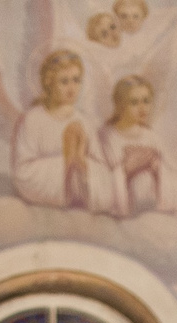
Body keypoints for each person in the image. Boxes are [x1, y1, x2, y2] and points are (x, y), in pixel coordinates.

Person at [12, 49, 115, 213]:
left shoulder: (84, 121)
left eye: (76, 80)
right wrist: (67, 161)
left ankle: (77, 185)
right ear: (49, 83)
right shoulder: (32, 119)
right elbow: (23, 170)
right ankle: (72, 185)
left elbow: (101, 165)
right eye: (64, 81)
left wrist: (80, 161)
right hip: (45, 183)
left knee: (105, 182)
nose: (71, 88)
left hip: (82, 180)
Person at [101, 75, 170, 216]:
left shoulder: (152, 137)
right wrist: (126, 169)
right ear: (120, 105)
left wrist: (158, 167)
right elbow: (104, 177)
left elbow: (168, 178)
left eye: (146, 101)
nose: (142, 108)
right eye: (134, 102)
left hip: (150, 209)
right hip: (121, 208)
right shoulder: (107, 136)